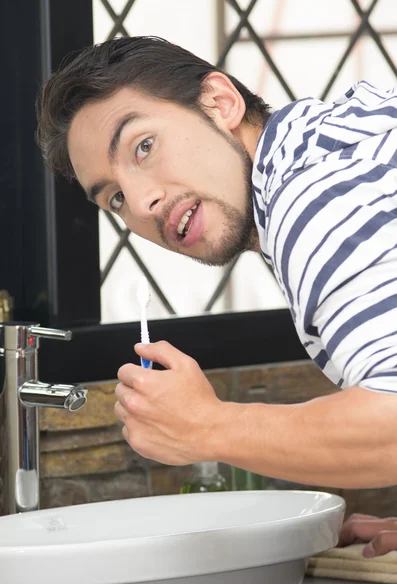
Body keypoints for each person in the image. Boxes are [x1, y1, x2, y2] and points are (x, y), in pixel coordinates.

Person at [37, 36, 397, 495]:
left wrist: (208, 426)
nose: (144, 205)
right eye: (117, 198)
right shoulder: (332, 144)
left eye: (143, 146)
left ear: (219, 102)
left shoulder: (312, 199)